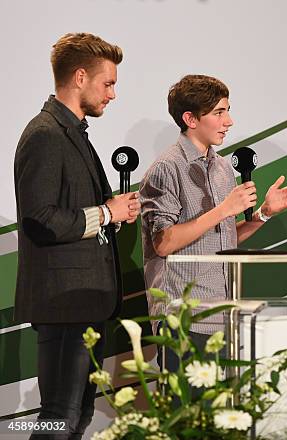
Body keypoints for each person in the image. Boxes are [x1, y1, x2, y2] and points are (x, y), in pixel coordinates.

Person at [13, 33, 140, 438]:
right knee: (60, 414)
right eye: (108, 83)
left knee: (78, 413)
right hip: (64, 302)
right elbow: (39, 219)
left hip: (86, 300)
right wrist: (106, 212)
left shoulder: (72, 132)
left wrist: (114, 213)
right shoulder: (46, 134)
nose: (113, 94)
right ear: (80, 77)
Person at [139, 75, 287, 369]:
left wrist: (264, 213)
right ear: (190, 118)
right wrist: (225, 209)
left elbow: (222, 240)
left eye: (227, 110)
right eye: (219, 112)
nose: (229, 121)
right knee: (188, 414)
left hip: (223, 315)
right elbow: (163, 243)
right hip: (183, 317)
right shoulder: (167, 168)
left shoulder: (222, 167)